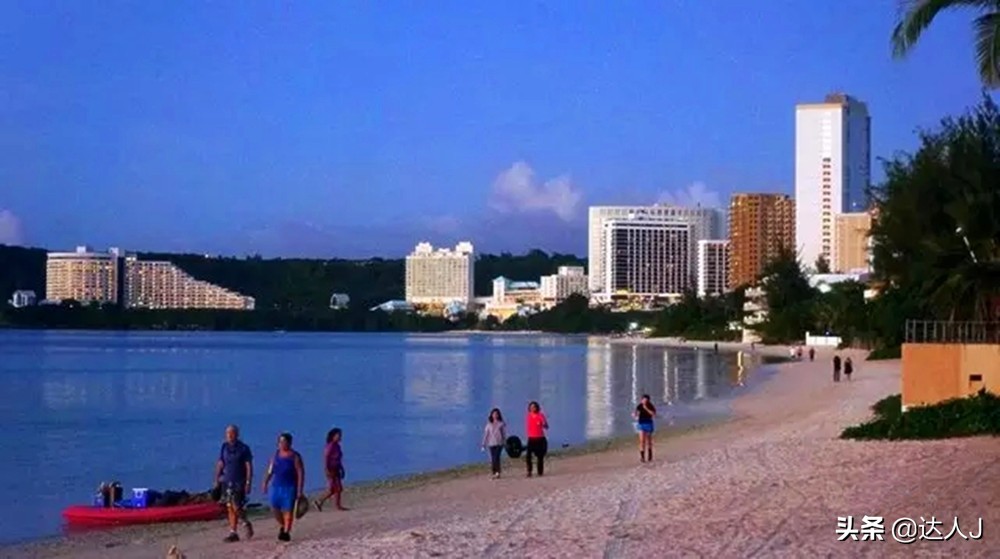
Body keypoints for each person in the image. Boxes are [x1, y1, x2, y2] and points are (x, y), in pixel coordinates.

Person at [262, 433, 305, 542]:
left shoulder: (295, 456)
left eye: (284, 442)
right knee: (274, 507)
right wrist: (265, 482)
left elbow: (300, 473)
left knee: (288, 511)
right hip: (276, 486)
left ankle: (286, 532)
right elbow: (270, 471)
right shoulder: (275, 455)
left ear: (289, 443)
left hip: (289, 487)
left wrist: (300, 489)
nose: (282, 444)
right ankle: (283, 525)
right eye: (280, 442)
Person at [214, 424, 254, 543]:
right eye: (227, 433)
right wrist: (216, 478)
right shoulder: (224, 447)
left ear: (236, 434)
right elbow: (221, 463)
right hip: (227, 481)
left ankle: (246, 523)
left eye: (232, 433)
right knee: (229, 507)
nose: (229, 435)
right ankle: (233, 532)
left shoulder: (243, 448)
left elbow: (248, 466)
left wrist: (248, 482)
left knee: (236, 505)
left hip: (239, 481)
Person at [314, 428, 346, 512]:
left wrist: (342, 468)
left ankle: (324, 502)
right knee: (334, 488)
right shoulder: (330, 446)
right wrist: (326, 469)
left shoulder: (337, 446)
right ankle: (321, 501)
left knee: (336, 488)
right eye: (338, 435)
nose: (340, 437)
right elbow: (326, 457)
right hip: (331, 468)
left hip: (336, 468)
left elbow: (339, 459)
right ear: (333, 436)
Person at [524, 401, 549, 477]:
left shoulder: (540, 415)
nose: (532, 408)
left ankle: (540, 472)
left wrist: (543, 424)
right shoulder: (528, 416)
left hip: (540, 438)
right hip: (531, 438)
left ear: (536, 407)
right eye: (531, 407)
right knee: (528, 456)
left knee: (540, 457)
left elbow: (546, 426)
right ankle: (529, 471)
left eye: (534, 407)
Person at [481, 408, 507, 479]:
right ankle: (494, 472)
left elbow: (504, 434)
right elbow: (486, 435)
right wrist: (483, 444)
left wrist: (505, 442)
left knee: (496, 457)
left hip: (499, 443)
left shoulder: (501, 424)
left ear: (498, 415)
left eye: (496, 414)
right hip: (491, 444)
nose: (495, 415)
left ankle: (498, 472)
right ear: (492, 415)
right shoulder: (488, 425)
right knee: (493, 458)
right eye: (494, 414)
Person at [633, 394, 657, 462]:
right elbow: (636, 413)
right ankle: (642, 457)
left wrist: (646, 408)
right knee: (642, 441)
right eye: (643, 400)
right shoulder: (639, 406)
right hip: (641, 424)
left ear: (648, 401)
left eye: (646, 400)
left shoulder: (651, 406)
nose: (644, 401)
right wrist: (635, 415)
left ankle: (650, 454)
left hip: (648, 424)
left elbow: (653, 414)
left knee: (649, 441)